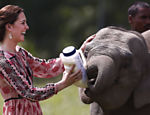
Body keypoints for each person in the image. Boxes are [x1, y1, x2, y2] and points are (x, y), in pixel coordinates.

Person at [0, 5, 83, 115]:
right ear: (9, 27)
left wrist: (79, 53)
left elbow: (45, 68)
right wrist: (62, 84)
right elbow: (30, 93)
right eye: (23, 23)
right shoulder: (3, 61)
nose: (27, 27)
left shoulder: (20, 52)